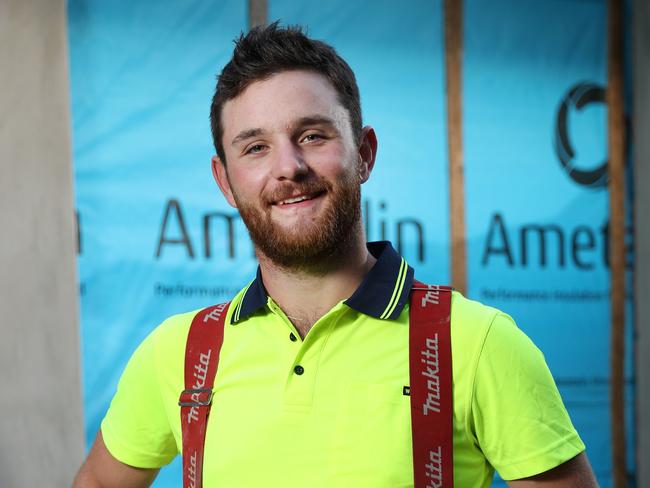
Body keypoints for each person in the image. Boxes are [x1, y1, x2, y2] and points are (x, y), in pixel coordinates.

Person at [73, 23, 598, 488]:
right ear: (225, 182)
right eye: (255, 147)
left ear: (364, 154)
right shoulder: (177, 353)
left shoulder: (478, 343)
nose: (289, 168)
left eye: (312, 135)